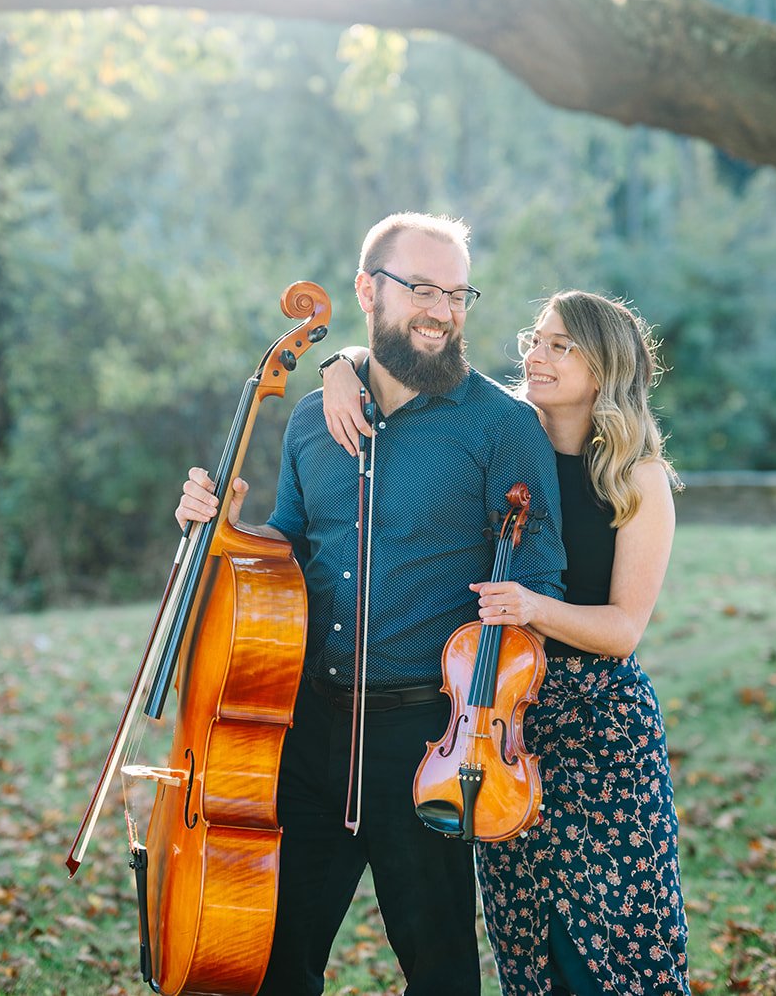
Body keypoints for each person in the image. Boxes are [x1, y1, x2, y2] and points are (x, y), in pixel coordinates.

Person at [174, 212, 566, 996]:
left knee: (441, 971)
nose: (442, 310)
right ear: (366, 289)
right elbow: (284, 553)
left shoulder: (502, 426)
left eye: (457, 293)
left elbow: (542, 581)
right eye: (422, 287)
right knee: (271, 962)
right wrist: (217, 530)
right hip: (305, 727)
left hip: (428, 739)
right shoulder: (314, 420)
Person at [319, 290, 689, 995]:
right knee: (527, 938)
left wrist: (532, 605)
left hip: (598, 728)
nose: (533, 354)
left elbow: (622, 630)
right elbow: (410, 366)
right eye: (534, 337)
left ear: (603, 365)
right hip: (498, 726)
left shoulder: (637, 476)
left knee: (616, 941)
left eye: (558, 345)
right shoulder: (499, 433)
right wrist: (341, 363)